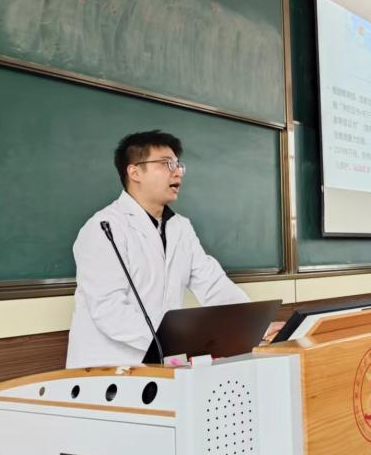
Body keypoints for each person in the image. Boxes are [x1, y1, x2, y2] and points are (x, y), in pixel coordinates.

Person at [66, 130, 249, 368]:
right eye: (166, 164)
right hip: (107, 368)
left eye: (178, 164)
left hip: (163, 363)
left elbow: (213, 284)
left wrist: (253, 326)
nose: (177, 172)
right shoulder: (104, 228)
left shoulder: (181, 227)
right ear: (134, 172)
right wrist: (178, 342)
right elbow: (108, 309)